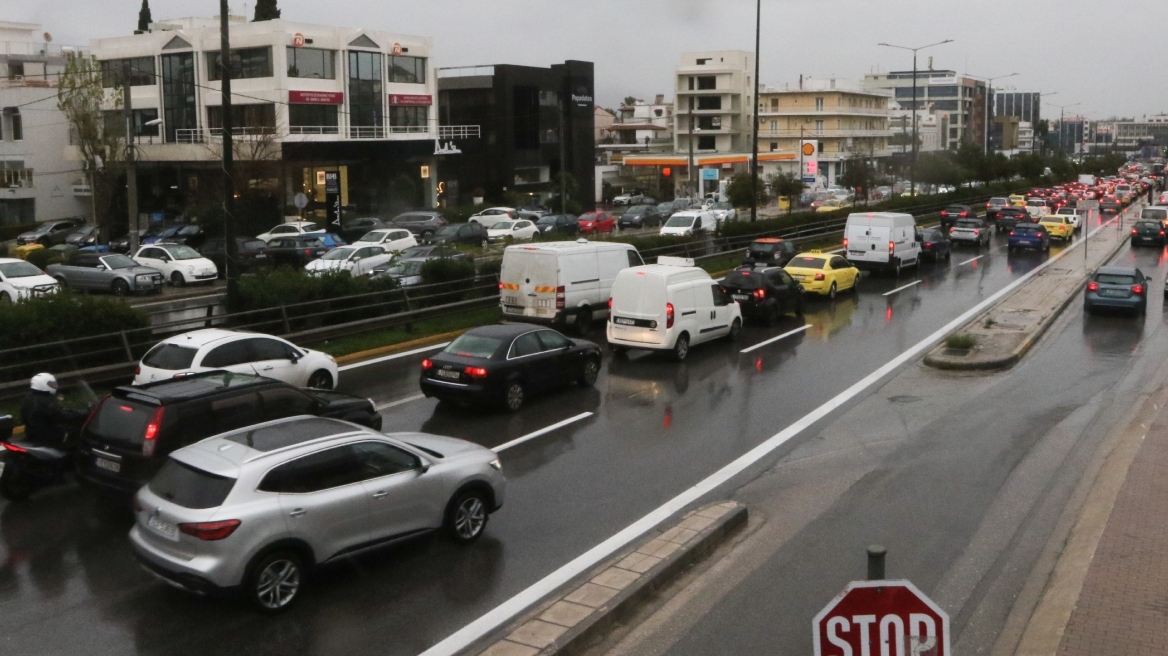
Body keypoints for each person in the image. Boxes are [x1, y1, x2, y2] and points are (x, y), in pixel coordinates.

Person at [19, 374, 89, 447]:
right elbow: (62, 416)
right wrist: (81, 414)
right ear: (42, 384)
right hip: (47, 436)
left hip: (32, 433)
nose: (54, 386)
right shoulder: (46, 401)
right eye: (51, 384)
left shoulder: (30, 398)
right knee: (75, 436)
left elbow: (56, 412)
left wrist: (72, 411)